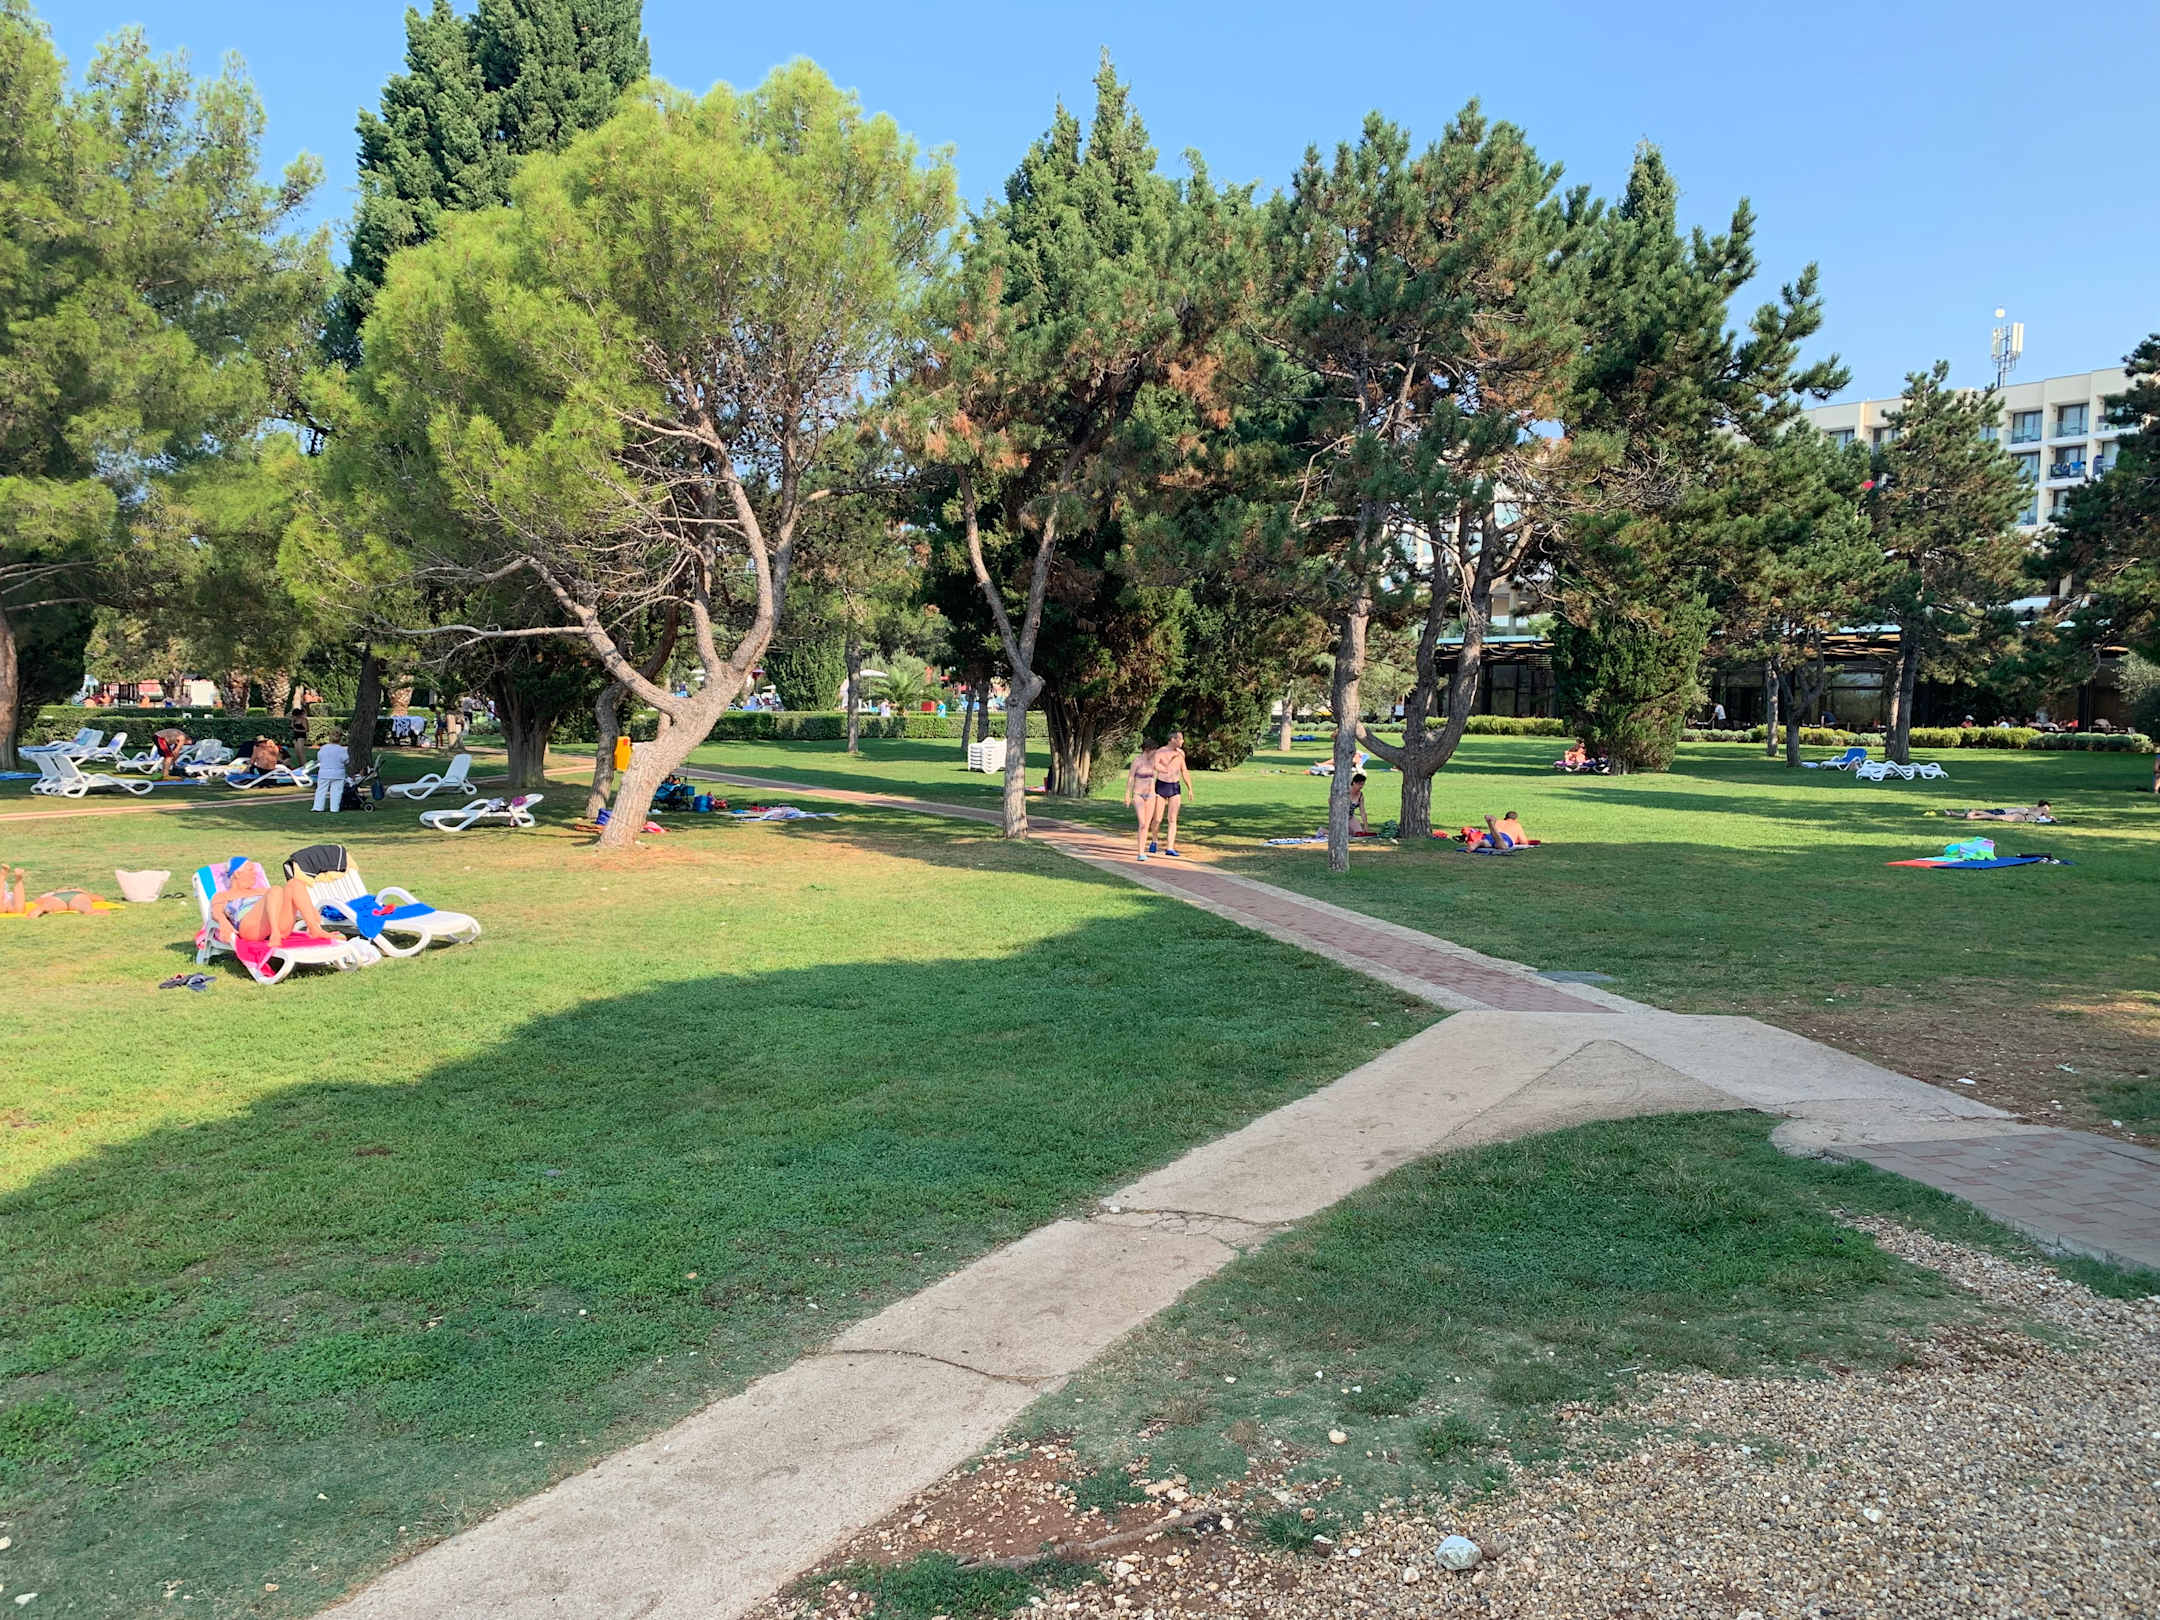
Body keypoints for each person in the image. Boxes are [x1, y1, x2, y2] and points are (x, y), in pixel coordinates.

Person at [209, 859, 335, 949]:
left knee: (295, 883)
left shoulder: (262, 891)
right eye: (250, 870)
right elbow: (216, 912)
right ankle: (275, 933)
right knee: (275, 890)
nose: (255, 873)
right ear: (237, 873)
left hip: (278, 927)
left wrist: (311, 910)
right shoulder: (224, 895)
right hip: (250, 929)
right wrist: (223, 922)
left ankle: (314, 929)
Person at [1150, 730, 1193, 856]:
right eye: (1181, 739)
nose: (1183, 741)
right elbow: (1155, 767)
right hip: (1162, 786)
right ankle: (1154, 841)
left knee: (1172, 819)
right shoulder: (1160, 752)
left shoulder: (1181, 753)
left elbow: (1184, 770)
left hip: (1174, 787)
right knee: (1157, 818)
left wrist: (1190, 788)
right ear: (1173, 740)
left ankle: (1170, 847)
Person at [1124, 739, 1159, 861]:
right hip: (1138, 795)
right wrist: (1127, 795)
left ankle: (1142, 851)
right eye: (1154, 750)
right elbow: (1130, 778)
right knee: (1142, 823)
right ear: (1148, 749)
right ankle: (1140, 852)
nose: (1155, 752)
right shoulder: (1137, 761)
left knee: (1147, 825)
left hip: (1151, 795)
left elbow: (1163, 769)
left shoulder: (1153, 761)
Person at [313, 731, 350, 813]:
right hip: (338, 774)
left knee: (321, 790)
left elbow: (319, 758)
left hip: (324, 773)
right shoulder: (342, 749)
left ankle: (318, 807)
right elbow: (346, 760)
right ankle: (334, 808)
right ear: (340, 738)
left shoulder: (323, 748)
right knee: (336, 792)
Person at [1348, 771, 1373, 836]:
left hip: (1350, 817)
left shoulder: (1360, 795)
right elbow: (1330, 800)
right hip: (1340, 817)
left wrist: (1366, 826)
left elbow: (1362, 812)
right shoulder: (1345, 791)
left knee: (1358, 833)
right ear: (1354, 783)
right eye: (1359, 784)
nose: (1361, 786)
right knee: (1343, 834)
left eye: (1362, 784)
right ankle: (1324, 831)